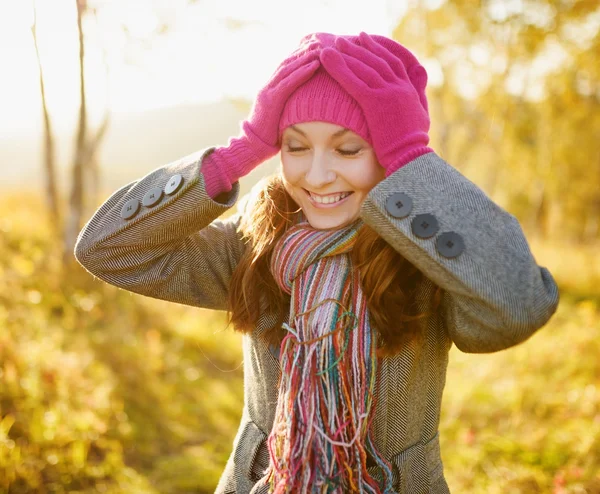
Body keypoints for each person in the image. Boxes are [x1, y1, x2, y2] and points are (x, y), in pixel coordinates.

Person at [74, 32, 560, 494]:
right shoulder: (255, 246)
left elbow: (517, 305)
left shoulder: (425, 259)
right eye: (295, 146)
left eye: (349, 148)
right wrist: (237, 153)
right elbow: (107, 247)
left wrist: (413, 160)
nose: (318, 175)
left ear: (390, 156)